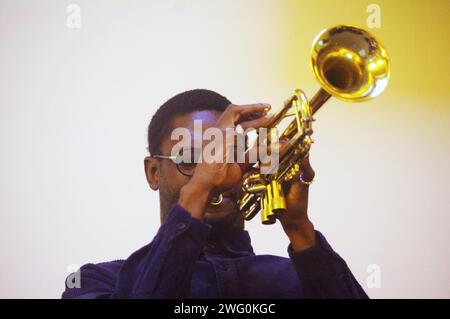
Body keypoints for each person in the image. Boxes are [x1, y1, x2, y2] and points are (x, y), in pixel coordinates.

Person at [62, 89, 368, 298]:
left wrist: (300, 229)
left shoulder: (297, 278)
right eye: (189, 158)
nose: (215, 171)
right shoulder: (97, 281)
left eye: (224, 155)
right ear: (154, 172)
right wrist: (198, 191)